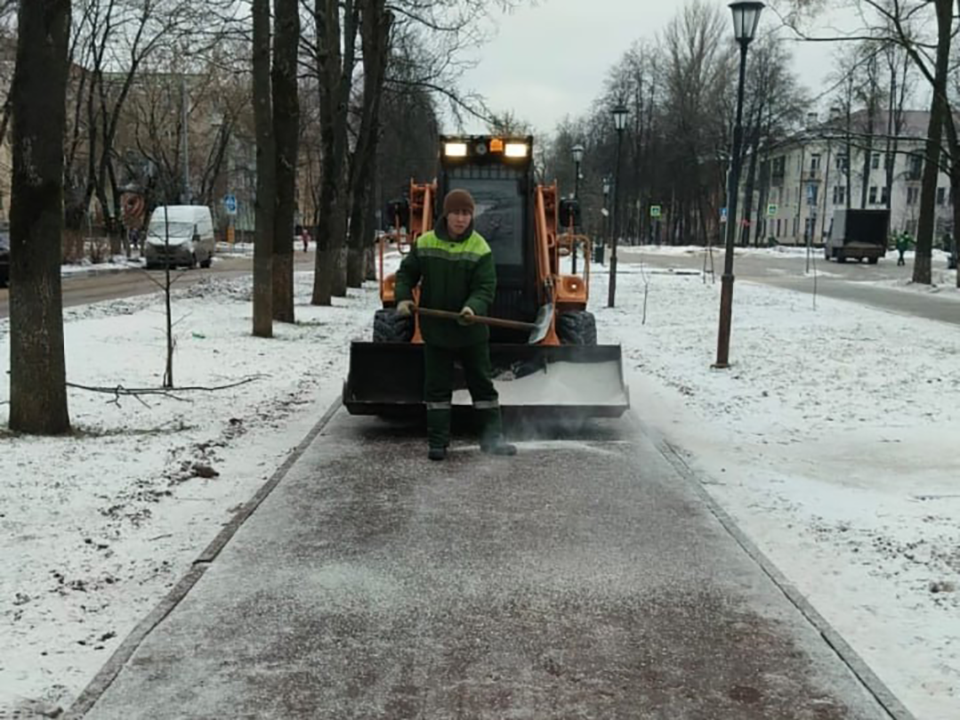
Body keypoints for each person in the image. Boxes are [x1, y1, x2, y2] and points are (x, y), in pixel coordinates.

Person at [395, 189, 517, 461]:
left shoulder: (480, 248)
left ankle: (492, 439)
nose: (461, 219)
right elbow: (406, 274)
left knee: (483, 386)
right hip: (436, 330)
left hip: (470, 331)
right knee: (437, 389)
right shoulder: (425, 243)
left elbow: (485, 287)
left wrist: (472, 307)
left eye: (466, 213)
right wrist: (403, 297)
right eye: (456, 213)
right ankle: (438, 443)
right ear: (446, 214)